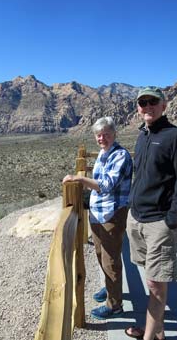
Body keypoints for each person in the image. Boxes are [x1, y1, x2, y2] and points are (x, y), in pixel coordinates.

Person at [124, 87, 177, 340]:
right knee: (150, 277)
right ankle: (157, 330)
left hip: (160, 222)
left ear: (164, 106)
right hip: (137, 219)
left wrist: (173, 221)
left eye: (153, 102)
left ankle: (149, 337)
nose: (147, 106)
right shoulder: (142, 136)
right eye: (143, 102)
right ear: (138, 108)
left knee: (155, 283)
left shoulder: (175, 136)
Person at [62, 116, 132, 319]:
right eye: (99, 135)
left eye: (106, 134)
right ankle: (111, 289)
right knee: (101, 254)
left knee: (111, 259)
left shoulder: (120, 155)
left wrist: (79, 178)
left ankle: (115, 305)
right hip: (98, 213)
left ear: (114, 134)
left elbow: (106, 185)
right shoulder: (103, 153)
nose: (102, 138)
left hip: (112, 214)